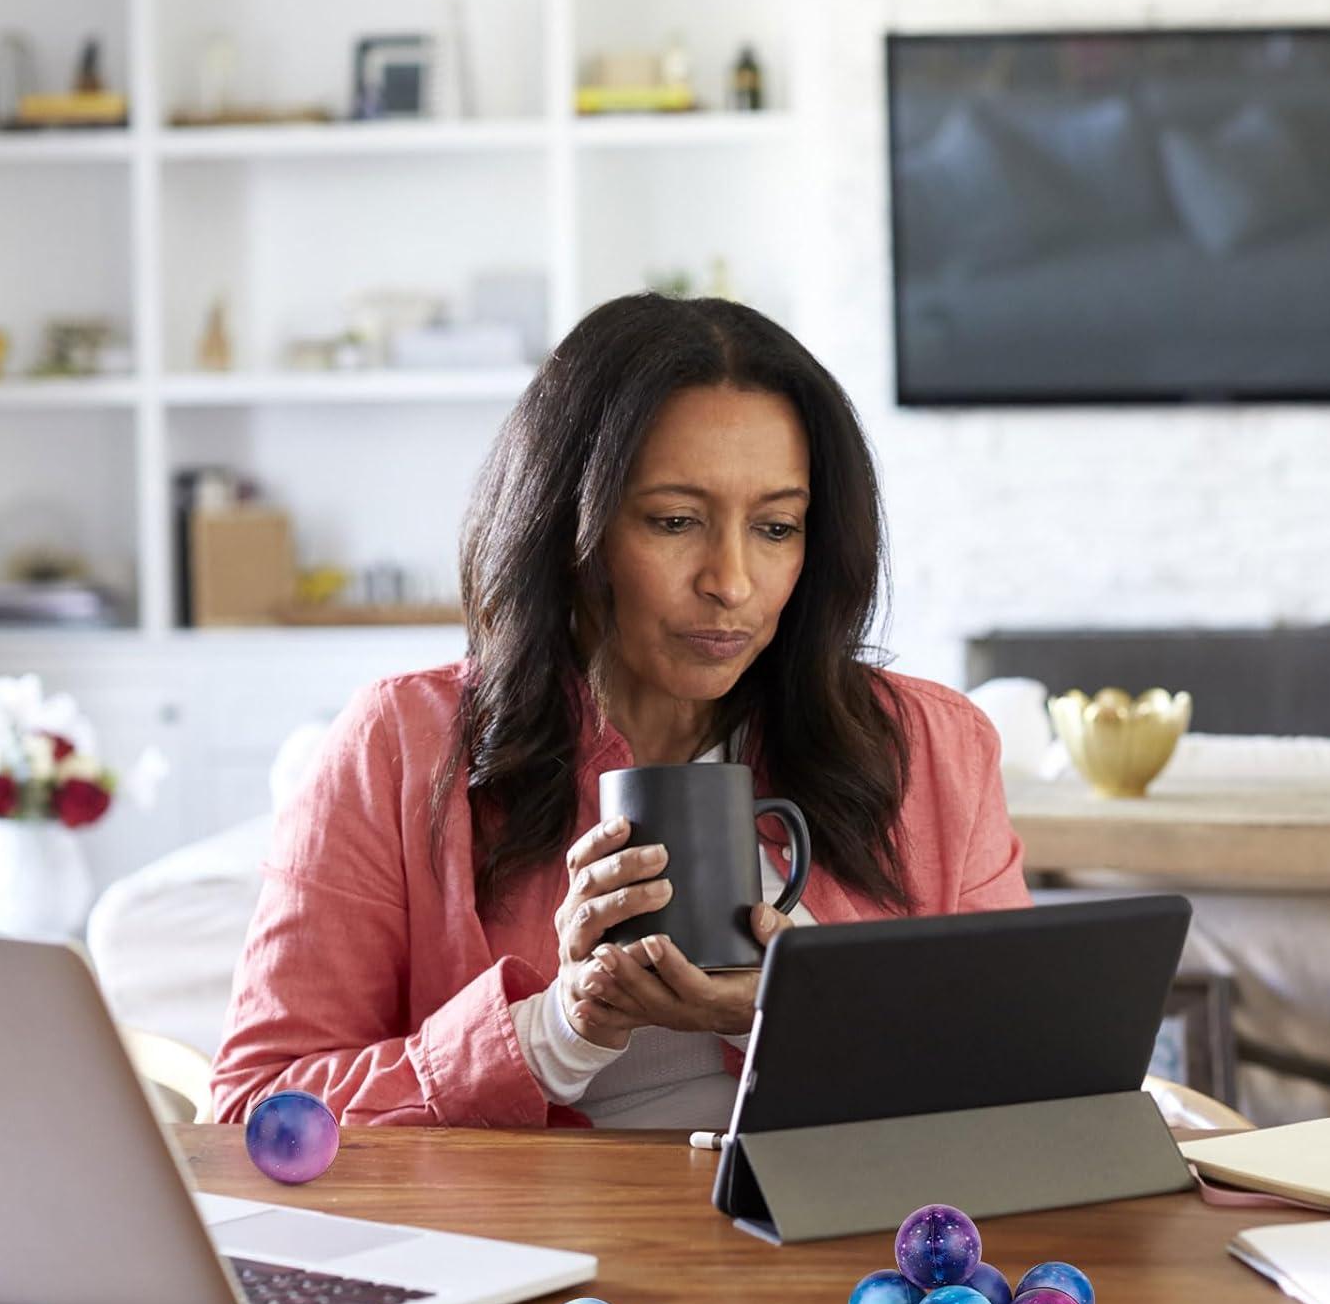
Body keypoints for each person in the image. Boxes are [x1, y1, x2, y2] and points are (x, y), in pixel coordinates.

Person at [209, 293, 1029, 1130]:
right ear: (568, 528)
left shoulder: (931, 749)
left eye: (777, 527)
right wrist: (555, 1031)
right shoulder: (403, 747)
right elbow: (251, 1114)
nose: (731, 582)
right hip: (530, 1252)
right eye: (675, 521)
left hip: (832, 1249)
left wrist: (813, 1022)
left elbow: (1031, 1080)